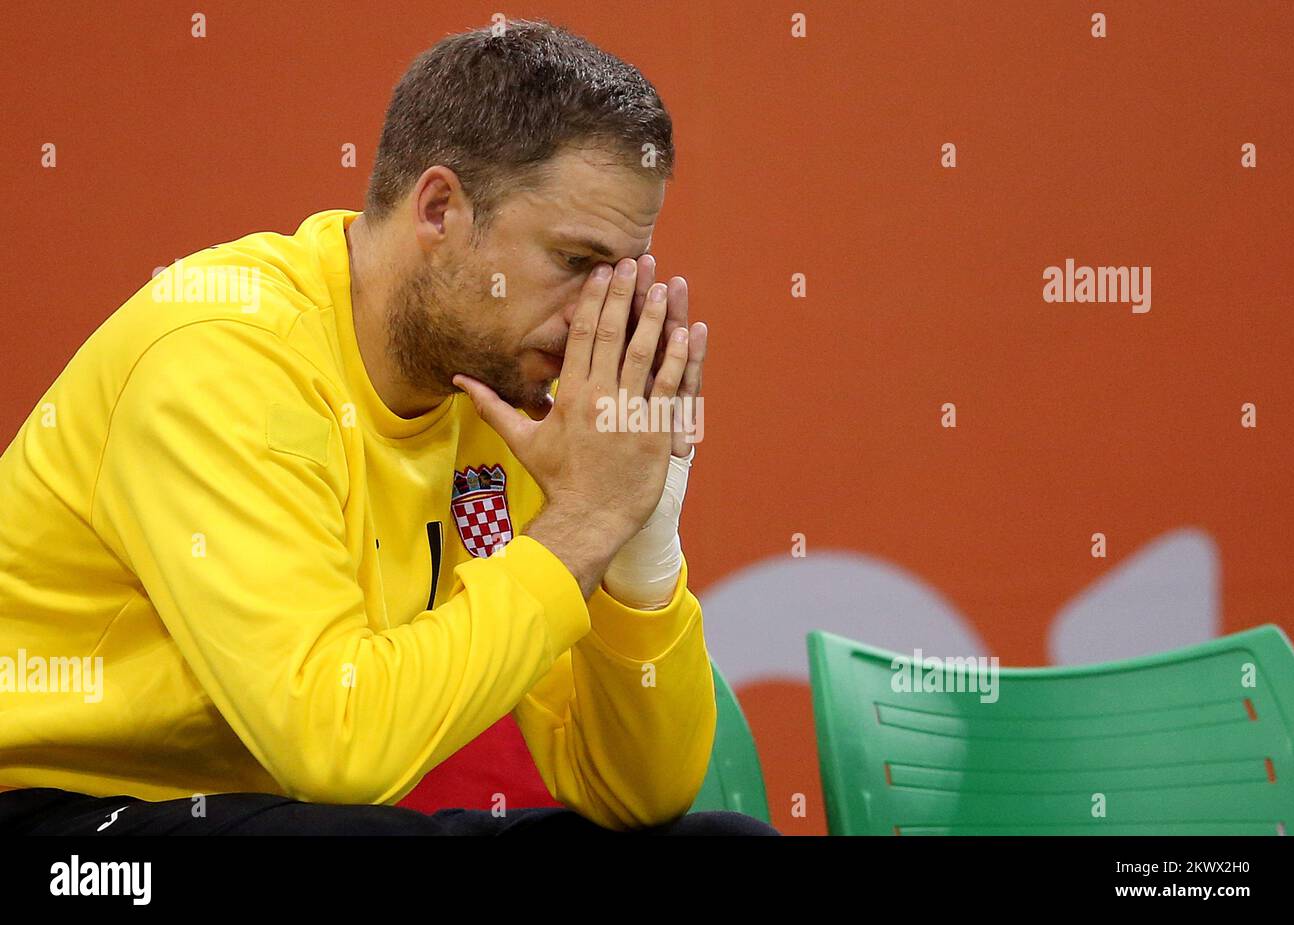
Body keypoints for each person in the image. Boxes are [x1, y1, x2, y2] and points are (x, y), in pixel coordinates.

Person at [0, 18, 777, 836]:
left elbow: (633, 793)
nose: (598, 319)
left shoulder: (502, 393)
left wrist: (639, 541)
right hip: (57, 819)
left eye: (621, 275)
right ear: (440, 209)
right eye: (576, 263)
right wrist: (582, 521)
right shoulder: (222, 358)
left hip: (272, 813)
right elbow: (337, 748)